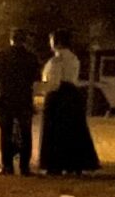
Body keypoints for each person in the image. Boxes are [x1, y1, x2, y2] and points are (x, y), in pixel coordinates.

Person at [38, 29, 99, 176]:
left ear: (57, 42)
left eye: (51, 40)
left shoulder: (56, 60)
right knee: (73, 130)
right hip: (72, 95)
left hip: (58, 97)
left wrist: (39, 89)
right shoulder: (74, 58)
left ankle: (55, 165)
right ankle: (74, 164)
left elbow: (53, 82)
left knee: (56, 132)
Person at [0, 29, 40, 175]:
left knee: (6, 132)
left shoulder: (2, 55)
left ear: (11, 39)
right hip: (24, 97)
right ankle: (24, 167)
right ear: (24, 40)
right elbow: (36, 80)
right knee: (25, 132)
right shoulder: (31, 57)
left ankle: (7, 166)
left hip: (7, 97)